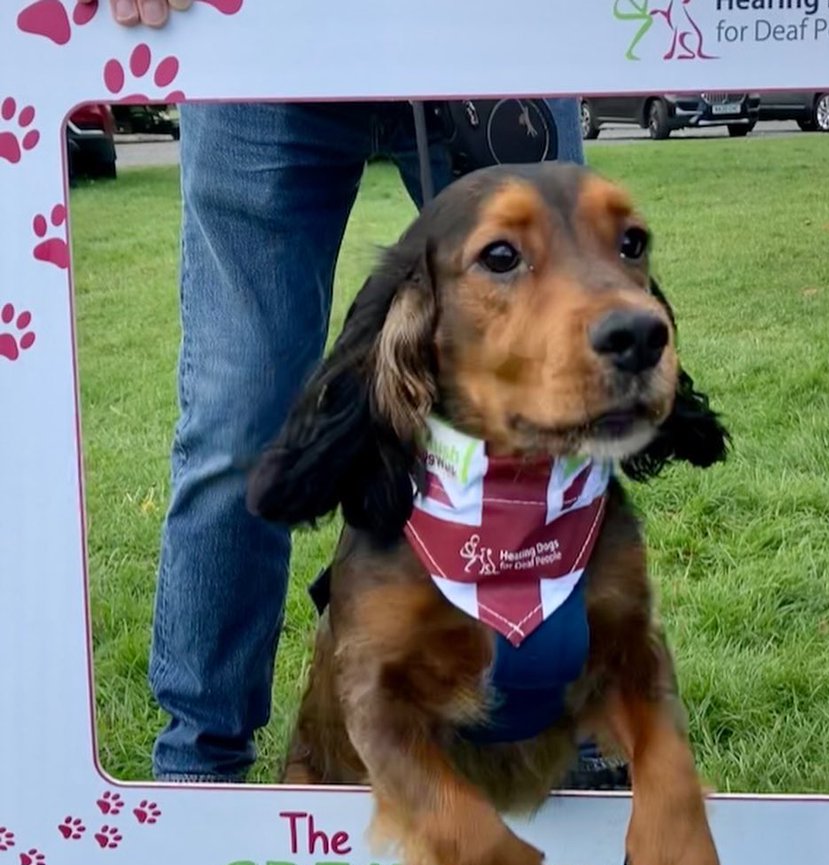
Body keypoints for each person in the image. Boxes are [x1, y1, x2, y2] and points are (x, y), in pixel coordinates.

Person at [88, 0, 623, 785]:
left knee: (566, 384)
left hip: (490, 26)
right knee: (239, 419)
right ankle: (198, 772)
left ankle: (577, 738)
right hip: (254, 34)